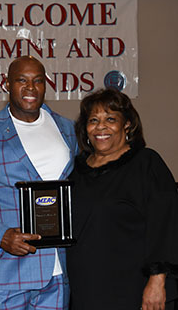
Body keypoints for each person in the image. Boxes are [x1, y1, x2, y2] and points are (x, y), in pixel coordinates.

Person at [0, 56, 79, 309]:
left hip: (58, 272)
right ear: (6, 84)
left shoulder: (68, 129)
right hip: (4, 272)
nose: (30, 88)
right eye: (22, 80)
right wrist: (0, 237)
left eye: (38, 81)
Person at [67, 87, 178, 310]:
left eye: (110, 119)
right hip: (85, 289)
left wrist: (157, 281)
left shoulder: (146, 164)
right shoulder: (76, 172)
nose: (100, 127)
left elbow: (166, 225)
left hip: (134, 289)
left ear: (127, 124)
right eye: (93, 120)